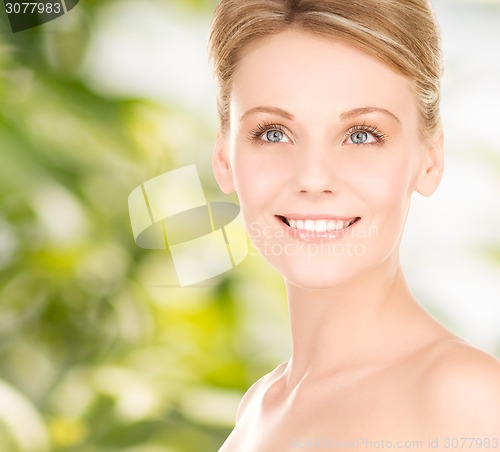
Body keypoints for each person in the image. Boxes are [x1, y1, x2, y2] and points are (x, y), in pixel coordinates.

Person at [208, 0, 500, 450]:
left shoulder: (466, 398)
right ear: (225, 159)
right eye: (273, 133)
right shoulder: (258, 409)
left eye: (361, 134)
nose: (313, 179)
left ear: (430, 160)